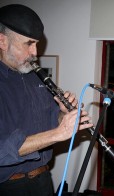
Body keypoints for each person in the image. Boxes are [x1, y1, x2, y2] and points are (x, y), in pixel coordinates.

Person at [0, 4, 93, 196]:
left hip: (43, 180)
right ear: (2, 41)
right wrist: (58, 134)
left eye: (37, 43)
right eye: (29, 43)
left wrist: (63, 114)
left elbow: (49, 121)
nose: (35, 52)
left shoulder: (35, 78)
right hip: (9, 186)